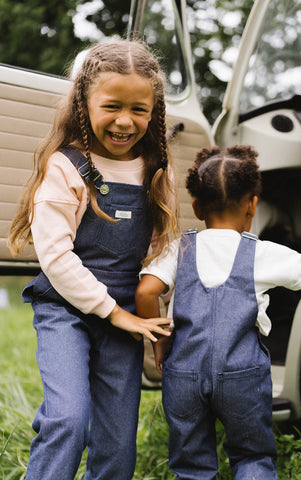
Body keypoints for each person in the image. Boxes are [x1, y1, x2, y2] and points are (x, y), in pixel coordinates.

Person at [8, 38, 178, 480]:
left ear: (153, 111)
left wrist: (149, 308)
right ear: (84, 102)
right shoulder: (66, 167)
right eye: (112, 106)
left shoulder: (156, 167)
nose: (125, 121)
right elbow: (55, 255)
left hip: (125, 314)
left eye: (139, 109)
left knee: (118, 440)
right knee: (67, 419)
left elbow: (162, 247)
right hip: (66, 309)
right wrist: (113, 313)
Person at [135, 144, 301, 480]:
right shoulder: (261, 253)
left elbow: (146, 291)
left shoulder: (181, 248)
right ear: (253, 204)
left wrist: (160, 341)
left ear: (197, 206)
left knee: (191, 466)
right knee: (252, 457)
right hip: (242, 374)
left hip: (184, 374)